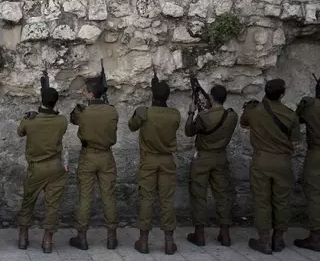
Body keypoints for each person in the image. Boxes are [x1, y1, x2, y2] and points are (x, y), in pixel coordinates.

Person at [240, 78, 300, 255]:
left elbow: (243, 123)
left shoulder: (254, 111)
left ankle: (264, 241)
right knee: (282, 200)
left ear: (265, 91)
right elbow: (295, 141)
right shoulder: (291, 115)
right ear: (282, 94)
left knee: (262, 200)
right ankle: (278, 239)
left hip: (261, 160)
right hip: (283, 161)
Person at [128, 75, 181, 255]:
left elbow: (131, 126)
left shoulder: (144, 112)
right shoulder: (175, 114)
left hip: (148, 160)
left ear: (152, 94)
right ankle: (168, 242)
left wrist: (141, 112)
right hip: (167, 160)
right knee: (167, 200)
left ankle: (143, 241)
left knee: (146, 199)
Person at [69, 78, 119, 251]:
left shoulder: (83, 112)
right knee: (109, 196)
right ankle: (112, 237)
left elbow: (73, 119)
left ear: (91, 94)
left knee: (85, 197)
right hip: (106, 156)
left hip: (88, 155)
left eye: (85, 91)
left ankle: (81, 237)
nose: (83, 92)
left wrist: (85, 106)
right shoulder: (112, 111)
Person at [16, 87, 68, 253]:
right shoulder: (62, 120)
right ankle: (47, 241)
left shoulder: (30, 120)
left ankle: (23, 237)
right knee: (52, 205)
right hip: (55, 167)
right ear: (56, 102)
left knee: (28, 201)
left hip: (36, 168)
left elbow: (20, 132)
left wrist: (30, 116)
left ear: (41, 100)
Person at [185, 85, 237, 247]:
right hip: (221, 157)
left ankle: (199, 235)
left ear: (212, 98)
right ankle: (225, 234)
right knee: (223, 194)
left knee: (198, 194)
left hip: (203, 158)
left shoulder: (203, 117)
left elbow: (189, 131)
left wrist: (191, 112)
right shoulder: (232, 116)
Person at [294, 77, 320, 252]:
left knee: (314, 194)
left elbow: (297, 119)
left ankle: (316, 237)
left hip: (316, 153)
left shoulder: (310, 105)